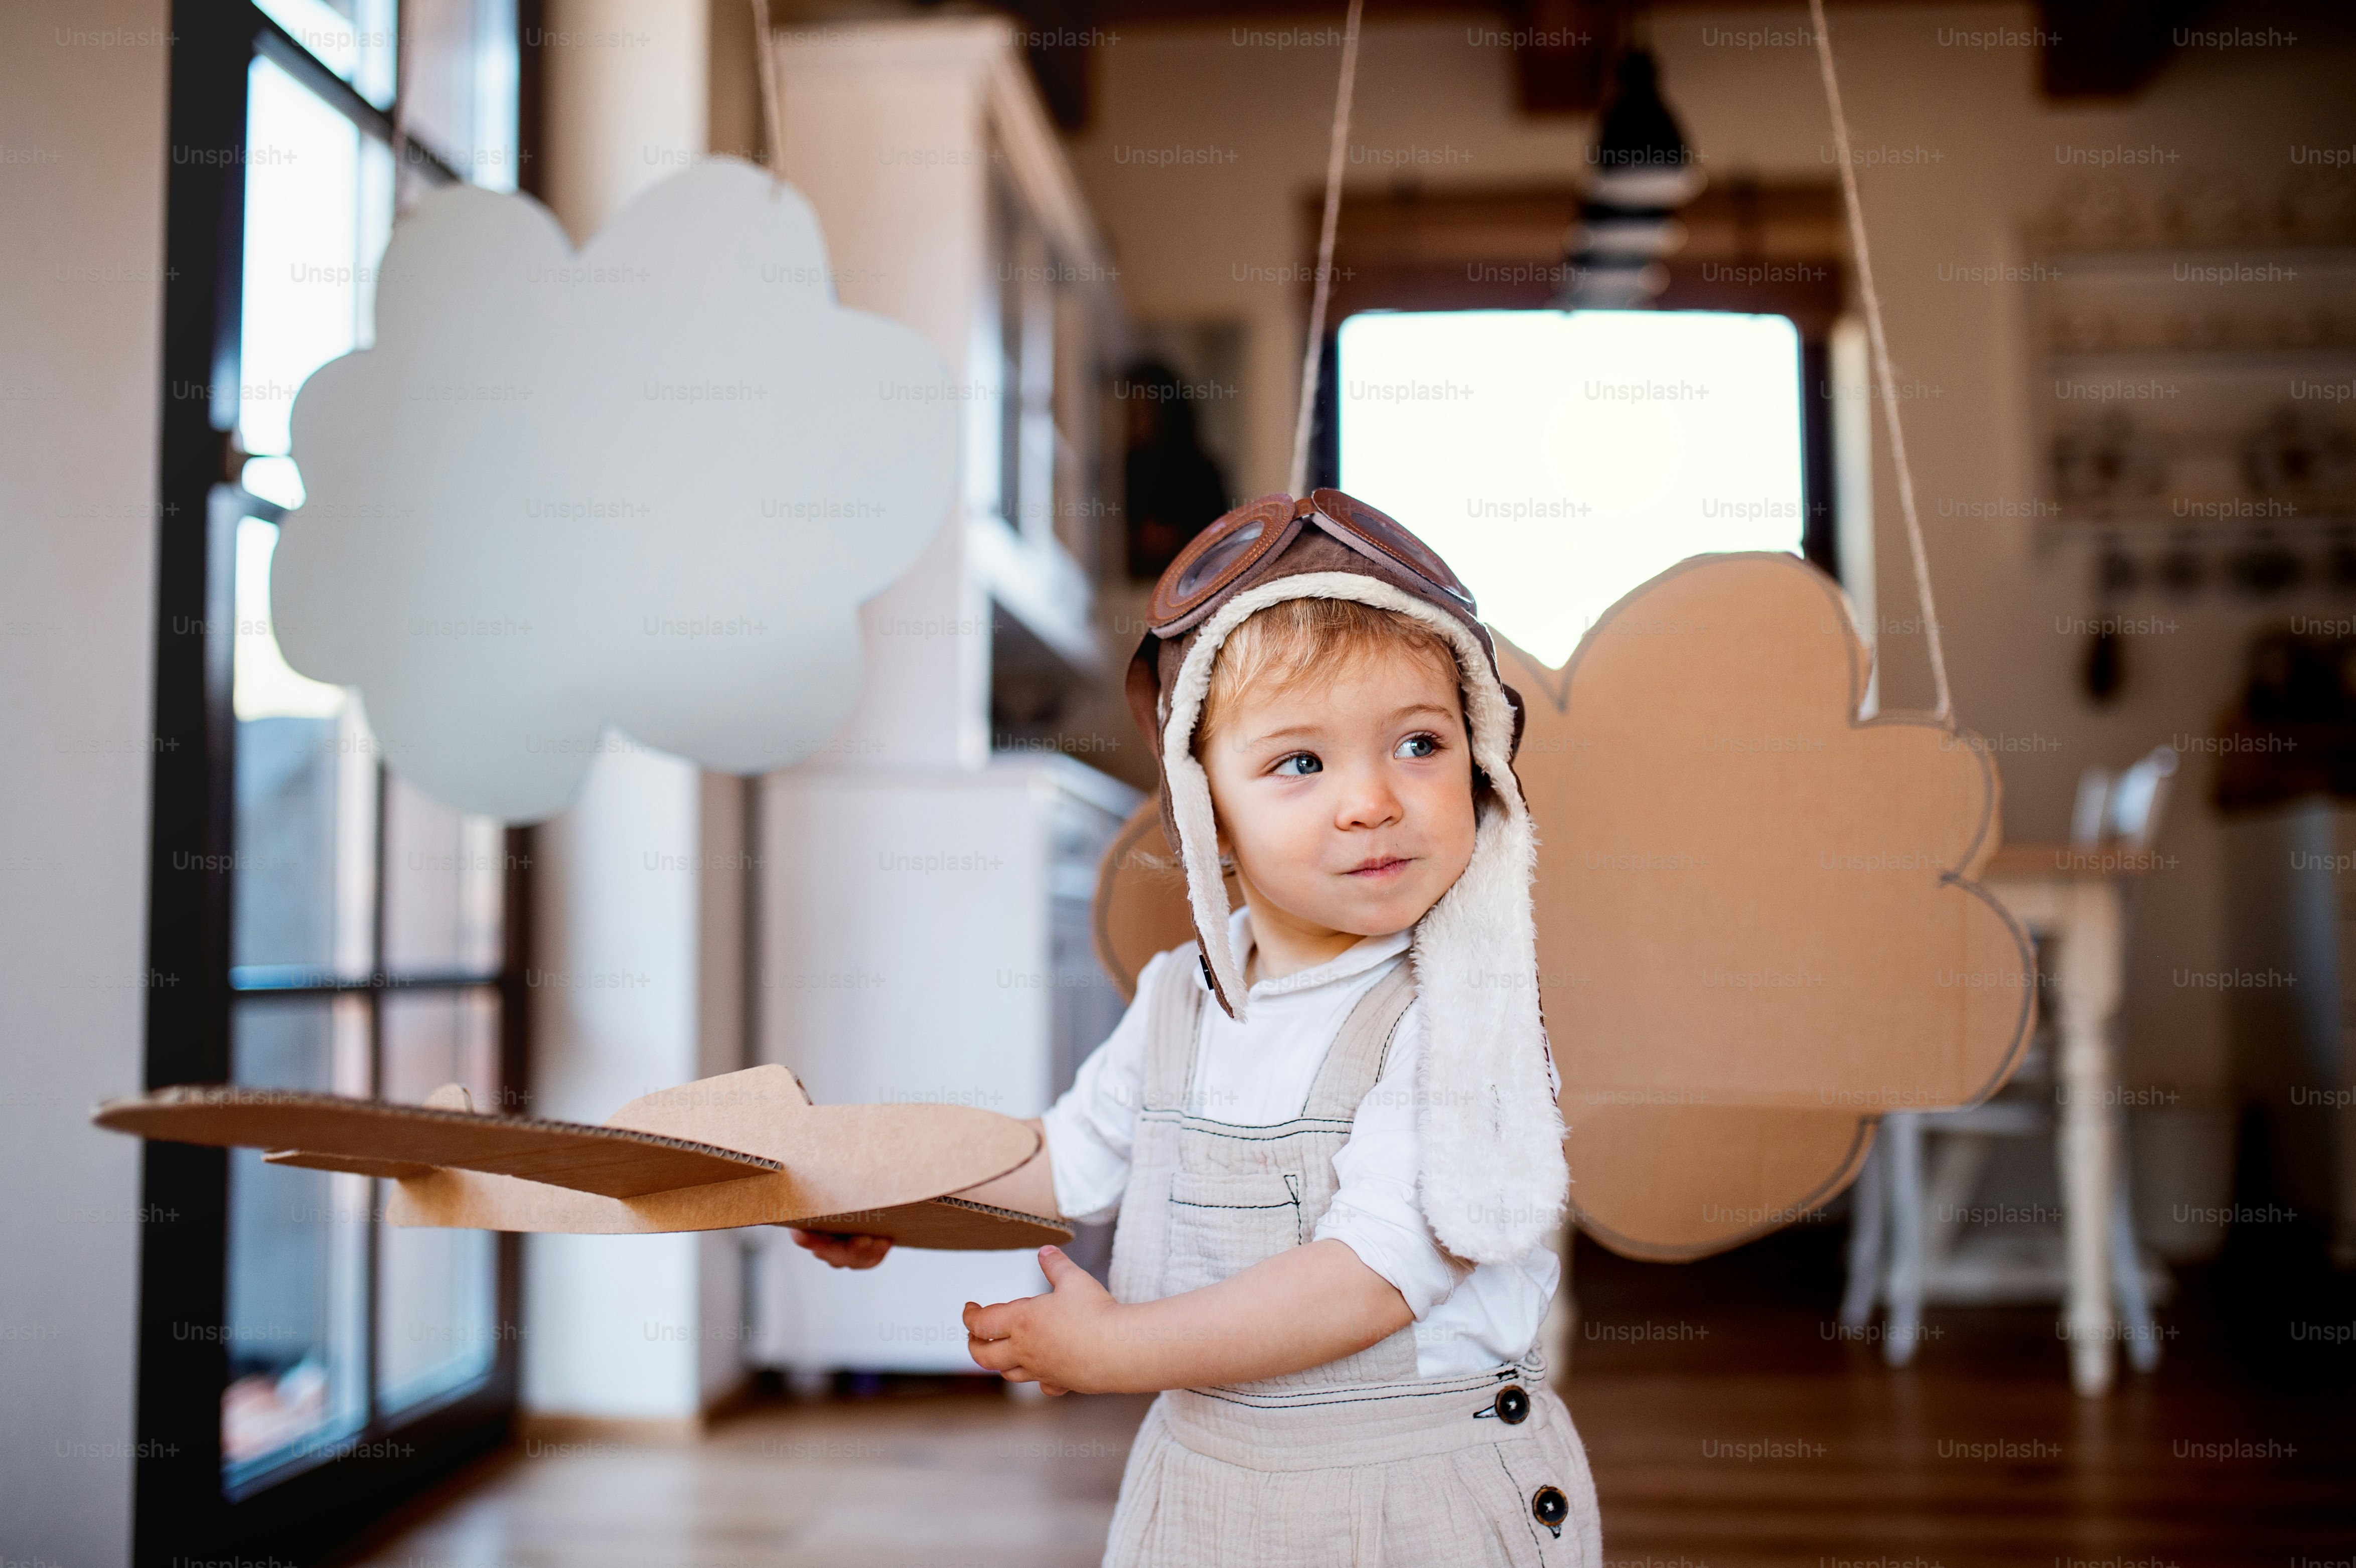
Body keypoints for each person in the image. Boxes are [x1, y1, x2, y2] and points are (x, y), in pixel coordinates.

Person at [797, 490, 1600, 1566]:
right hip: (1207, 1490)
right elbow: (1059, 1162)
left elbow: (1372, 1275)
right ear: (1204, 810)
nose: (1370, 799)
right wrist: (899, 1192)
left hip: (1418, 1496)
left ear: (1481, 762)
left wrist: (1118, 1347)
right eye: (1301, 764)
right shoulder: (1180, 998)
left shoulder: (1463, 1009)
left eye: (1418, 743)